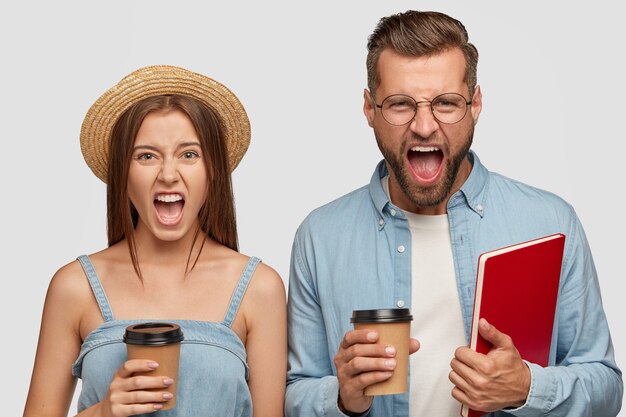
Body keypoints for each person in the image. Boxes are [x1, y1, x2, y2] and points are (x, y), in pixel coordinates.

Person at [285, 10, 623, 417]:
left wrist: (526, 387)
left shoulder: (551, 223)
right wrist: (341, 398)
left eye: (446, 103)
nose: (424, 126)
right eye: (399, 104)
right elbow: (293, 392)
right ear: (369, 108)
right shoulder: (320, 238)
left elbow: (605, 387)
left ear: (475, 104)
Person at [23, 65, 287, 417]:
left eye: (189, 154)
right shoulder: (74, 286)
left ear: (212, 172)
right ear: (123, 174)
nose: (167, 174)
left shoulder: (260, 287)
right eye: (146, 156)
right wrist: (102, 413)